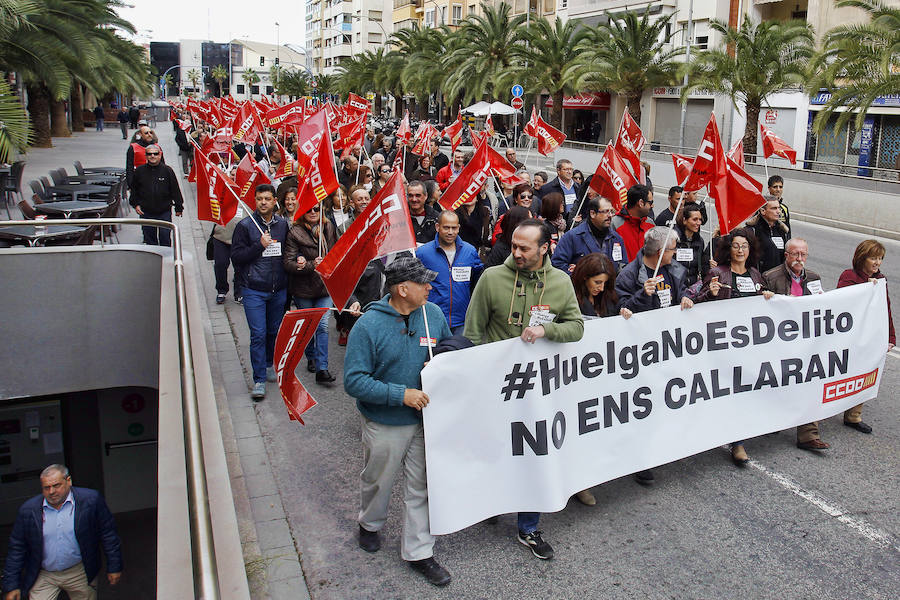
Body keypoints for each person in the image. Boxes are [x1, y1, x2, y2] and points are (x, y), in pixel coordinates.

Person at [464, 219, 584, 560]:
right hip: (497, 385)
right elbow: (473, 332)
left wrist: (547, 332)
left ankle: (529, 527)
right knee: (496, 447)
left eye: (524, 248)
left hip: (539, 388)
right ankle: (492, 501)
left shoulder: (561, 282)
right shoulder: (491, 278)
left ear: (545, 248)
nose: (515, 253)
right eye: (513, 246)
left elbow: (576, 327)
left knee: (534, 453)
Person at [343, 257, 452, 587]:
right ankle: (370, 524)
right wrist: (400, 394)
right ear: (403, 289)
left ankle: (420, 552)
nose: (430, 288)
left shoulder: (432, 315)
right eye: (423, 284)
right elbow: (354, 381)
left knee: (422, 486)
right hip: (386, 422)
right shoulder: (368, 327)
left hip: (425, 420)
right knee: (379, 480)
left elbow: (445, 350)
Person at [694, 228, 774, 466]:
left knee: (742, 392)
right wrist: (710, 293)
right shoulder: (718, 273)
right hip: (721, 347)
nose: (740, 250)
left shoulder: (756, 276)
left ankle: (737, 438)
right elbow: (701, 301)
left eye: (745, 246)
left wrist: (768, 299)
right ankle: (726, 438)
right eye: (736, 246)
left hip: (748, 347)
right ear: (728, 249)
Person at [2, 464, 122, 600]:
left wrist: (114, 566)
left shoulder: (90, 500)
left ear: (68, 481)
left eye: (56, 485)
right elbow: (17, 548)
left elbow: (108, 534)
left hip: (79, 572)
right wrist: (11, 585)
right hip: (44, 574)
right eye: (46, 488)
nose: (52, 491)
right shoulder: (29, 510)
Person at [569, 252, 632, 505]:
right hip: (576, 375)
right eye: (596, 282)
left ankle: (589, 476)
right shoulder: (571, 299)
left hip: (601, 373)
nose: (601, 288)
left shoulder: (609, 298)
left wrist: (625, 314)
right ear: (584, 279)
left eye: (604, 283)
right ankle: (578, 482)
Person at [761, 238, 830, 451]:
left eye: (803, 255)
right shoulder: (771, 278)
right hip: (780, 345)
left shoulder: (814, 278)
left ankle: (808, 435)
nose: (800, 259)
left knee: (810, 382)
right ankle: (770, 420)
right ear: (786, 255)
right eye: (795, 254)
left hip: (808, 345)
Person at [231, 184, 290, 400]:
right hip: (254, 289)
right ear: (254, 201)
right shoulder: (245, 225)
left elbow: (287, 252)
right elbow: (236, 257)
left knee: (273, 331)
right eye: (259, 199)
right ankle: (259, 379)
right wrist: (259, 245)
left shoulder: (283, 225)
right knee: (258, 334)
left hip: (278, 289)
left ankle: (267, 363)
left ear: (275, 201)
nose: (263, 202)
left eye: (267, 198)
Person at [836, 239, 895, 434]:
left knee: (865, 373)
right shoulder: (849, 276)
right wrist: (865, 288)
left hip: (870, 337)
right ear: (862, 258)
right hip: (851, 337)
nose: (877, 263)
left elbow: (886, 309)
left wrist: (890, 337)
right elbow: (842, 303)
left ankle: (854, 415)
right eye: (873, 258)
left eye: (880, 258)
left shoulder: (881, 280)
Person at [284, 203, 339, 385]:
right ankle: (311, 356)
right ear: (302, 212)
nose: (313, 212)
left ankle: (322, 368)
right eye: (309, 209)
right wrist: (310, 265)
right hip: (304, 288)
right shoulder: (294, 232)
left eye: (316, 209)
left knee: (322, 325)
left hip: (325, 286)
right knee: (308, 326)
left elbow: (338, 250)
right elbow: (288, 263)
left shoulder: (329, 226)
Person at [416, 210, 484, 334]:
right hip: (433, 320)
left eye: (454, 228)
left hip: (462, 321)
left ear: (458, 228)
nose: (450, 232)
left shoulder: (469, 251)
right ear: (437, 227)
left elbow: (477, 281)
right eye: (446, 228)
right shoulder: (423, 253)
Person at [552, 196, 628, 273]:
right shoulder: (572, 237)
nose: (610, 215)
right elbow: (557, 265)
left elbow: (623, 266)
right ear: (592, 214)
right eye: (606, 211)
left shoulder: (616, 238)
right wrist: (577, 276)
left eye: (612, 212)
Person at [129, 144, 183, 246]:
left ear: (160, 155)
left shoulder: (168, 171)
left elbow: (175, 190)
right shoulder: (139, 171)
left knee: (165, 236)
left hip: (164, 211)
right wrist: (135, 204)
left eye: (155, 153)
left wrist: (179, 207)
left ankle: (167, 259)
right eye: (149, 154)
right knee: (149, 238)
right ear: (146, 156)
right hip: (146, 211)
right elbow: (134, 190)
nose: (152, 156)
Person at [611, 184, 655, 261]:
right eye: (650, 203)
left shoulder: (651, 224)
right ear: (641, 203)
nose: (652, 206)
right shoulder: (614, 224)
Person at [748, 196, 790, 273]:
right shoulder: (752, 231)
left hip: (778, 278)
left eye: (779, 208)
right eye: (774, 208)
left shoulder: (782, 231)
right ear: (763, 211)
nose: (778, 211)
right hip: (760, 278)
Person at [211, 213, 245, 305]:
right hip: (221, 236)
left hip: (241, 239)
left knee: (240, 267)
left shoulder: (248, 200)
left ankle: (239, 293)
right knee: (220, 264)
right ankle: (221, 290)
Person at [673, 203, 708, 285]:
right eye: (695, 219)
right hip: (676, 287)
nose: (699, 223)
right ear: (684, 220)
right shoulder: (673, 239)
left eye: (700, 219)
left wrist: (708, 264)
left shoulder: (700, 241)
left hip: (692, 288)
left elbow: (700, 266)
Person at [126, 126, 162, 190]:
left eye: (150, 132)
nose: (149, 135)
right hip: (139, 180)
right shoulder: (133, 148)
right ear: (140, 134)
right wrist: (130, 184)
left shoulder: (157, 147)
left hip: (155, 180)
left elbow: (162, 165)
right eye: (146, 133)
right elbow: (129, 167)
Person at [408, 180, 440, 245]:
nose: (414, 199)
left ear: (426, 196)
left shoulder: (436, 218)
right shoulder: (400, 218)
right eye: (411, 195)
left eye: (418, 195)